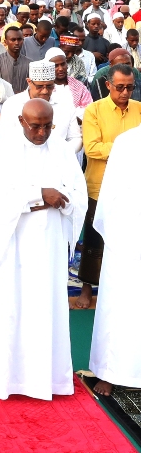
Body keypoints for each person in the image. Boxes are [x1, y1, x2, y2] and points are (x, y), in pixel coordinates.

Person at [0, 98, 86, 401]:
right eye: (35, 126)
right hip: (13, 241)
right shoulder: (4, 152)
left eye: (47, 126)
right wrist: (40, 195)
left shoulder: (63, 150)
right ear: (21, 122)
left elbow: (78, 196)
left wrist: (56, 198)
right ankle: (0, 378)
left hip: (51, 239)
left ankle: (50, 380)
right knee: (9, 307)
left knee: (47, 307)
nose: (41, 132)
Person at [75, 63, 141, 309]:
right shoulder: (94, 110)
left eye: (130, 88)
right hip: (99, 185)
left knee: (129, 238)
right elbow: (92, 148)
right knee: (94, 239)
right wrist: (127, 148)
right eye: (120, 87)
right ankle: (87, 289)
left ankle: (124, 288)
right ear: (108, 86)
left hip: (134, 187)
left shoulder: (139, 109)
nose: (125, 93)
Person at [88, 124, 141, 396]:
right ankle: (110, 372)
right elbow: (110, 196)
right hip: (128, 237)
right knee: (120, 305)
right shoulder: (127, 142)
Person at [0, 60, 81, 151]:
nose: (45, 91)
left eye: (50, 86)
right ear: (29, 82)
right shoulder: (12, 105)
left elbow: (75, 138)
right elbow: (5, 139)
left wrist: (61, 155)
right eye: (40, 86)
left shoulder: (65, 104)